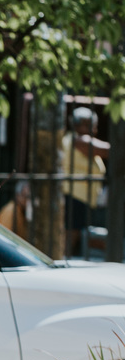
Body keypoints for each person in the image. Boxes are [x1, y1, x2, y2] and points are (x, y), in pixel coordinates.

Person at [61, 106, 109, 255]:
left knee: (73, 237)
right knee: (69, 238)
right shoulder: (80, 140)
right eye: (92, 125)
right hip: (75, 198)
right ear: (81, 124)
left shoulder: (72, 139)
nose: (94, 129)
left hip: (80, 199)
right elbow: (110, 150)